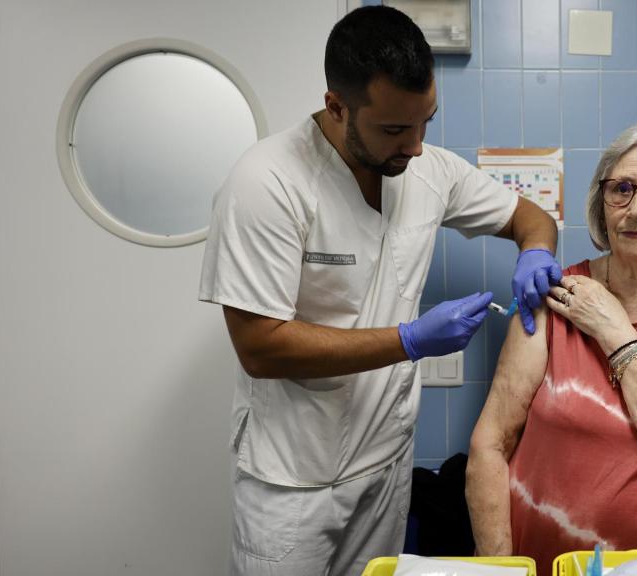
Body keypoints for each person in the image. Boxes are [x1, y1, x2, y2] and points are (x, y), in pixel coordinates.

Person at [198, 6, 560, 576]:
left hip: (386, 469)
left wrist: (536, 250)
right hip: (294, 482)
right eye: (394, 129)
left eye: (426, 123)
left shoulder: (430, 171)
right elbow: (259, 346)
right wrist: (410, 340)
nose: (415, 146)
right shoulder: (267, 183)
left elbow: (531, 217)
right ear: (337, 106)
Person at [465, 123, 637, 574]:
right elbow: (490, 444)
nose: (636, 210)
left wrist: (613, 329)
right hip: (544, 561)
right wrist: (499, 567)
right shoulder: (554, 297)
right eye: (622, 189)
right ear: (602, 205)